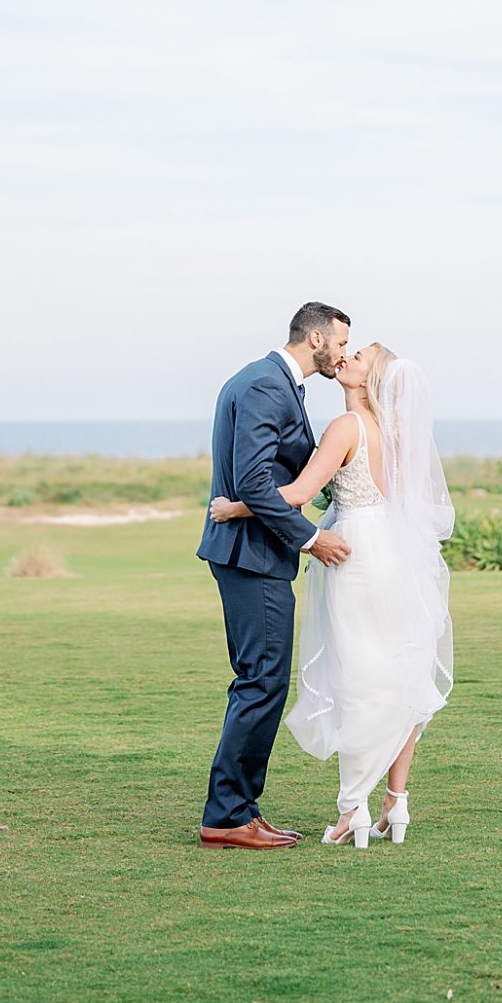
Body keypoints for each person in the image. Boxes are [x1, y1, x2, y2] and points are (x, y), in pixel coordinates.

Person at [210, 343, 454, 848]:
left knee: (359, 676)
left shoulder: (347, 427)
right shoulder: (397, 432)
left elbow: (298, 493)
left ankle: (352, 810)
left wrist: (236, 508)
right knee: (399, 673)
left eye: (357, 356)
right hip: (395, 556)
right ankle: (396, 803)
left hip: (354, 553)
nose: (346, 358)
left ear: (369, 380)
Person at [196, 302, 353, 850]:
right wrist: (311, 538)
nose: (343, 353)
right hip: (250, 555)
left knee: (261, 679)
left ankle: (240, 808)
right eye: (340, 342)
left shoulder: (273, 381)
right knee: (261, 681)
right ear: (315, 339)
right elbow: (254, 484)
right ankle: (228, 815)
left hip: (252, 553)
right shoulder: (266, 386)